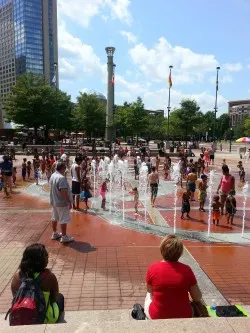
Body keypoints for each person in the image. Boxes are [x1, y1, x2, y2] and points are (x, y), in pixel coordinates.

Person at [144, 235, 202, 319]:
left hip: (157, 315)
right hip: (185, 315)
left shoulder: (153, 268)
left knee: (148, 294)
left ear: (162, 250)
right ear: (180, 252)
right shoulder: (187, 269)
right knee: (187, 290)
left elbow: (149, 290)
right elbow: (197, 297)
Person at [11, 244, 64, 324]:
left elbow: (15, 298)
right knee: (60, 297)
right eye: (46, 256)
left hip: (19, 317)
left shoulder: (16, 277)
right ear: (39, 260)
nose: (48, 258)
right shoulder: (49, 277)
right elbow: (53, 298)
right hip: (44, 318)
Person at [49, 161, 74, 243]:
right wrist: (69, 202)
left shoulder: (53, 175)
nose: (65, 170)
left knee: (54, 217)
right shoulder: (61, 178)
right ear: (63, 168)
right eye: (65, 168)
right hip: (61, 203)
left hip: (54, 201)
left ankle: (55, 233)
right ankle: (64, 236)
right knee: (63, 219)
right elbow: (63, 191)